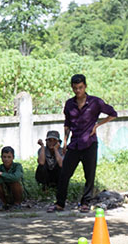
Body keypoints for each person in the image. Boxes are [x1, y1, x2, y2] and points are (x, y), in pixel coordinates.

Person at [48, 74, 118, 213]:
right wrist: (65, 141)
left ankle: (85, 203)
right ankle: (60, 203)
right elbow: (67, 123)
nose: (78, 91)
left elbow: (113, 113)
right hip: (74, 144)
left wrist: (97, 125)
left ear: (85, 86)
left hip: (89, 144)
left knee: (89, 175)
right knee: (64, 174)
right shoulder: (69, 104)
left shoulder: (95, 102)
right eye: (75, 88)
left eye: (80, 87)